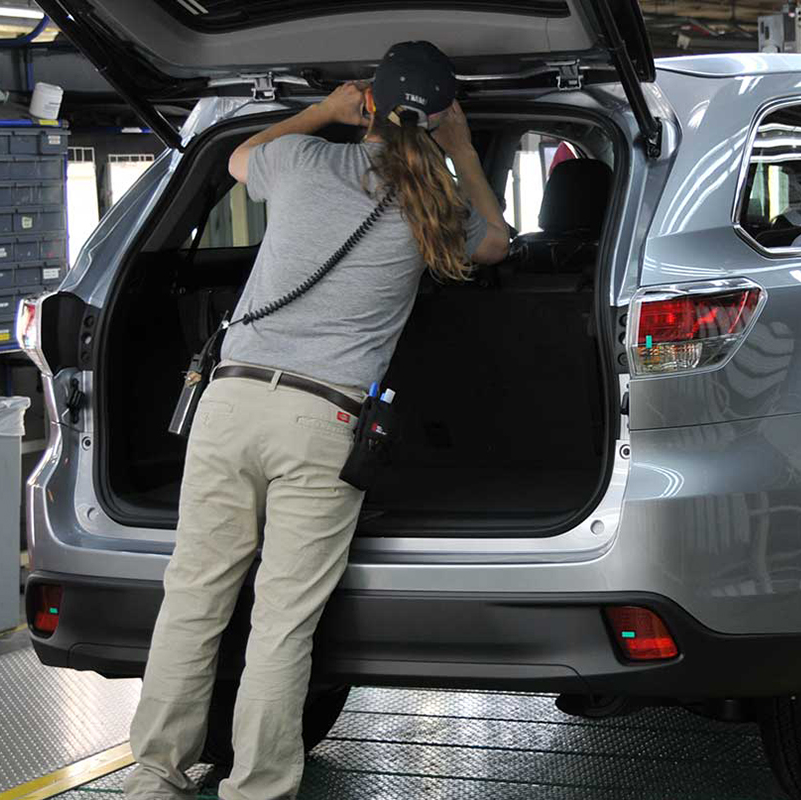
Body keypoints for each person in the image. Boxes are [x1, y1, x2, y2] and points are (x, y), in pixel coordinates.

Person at [124, 41, 511, 799]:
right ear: (439, 119)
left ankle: (151, 776)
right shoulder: (435, 202)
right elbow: (497, 243)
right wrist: (461, 152)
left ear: (367, 103)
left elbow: (238, 160)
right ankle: (256, 788)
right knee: (281, 618)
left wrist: (321, 110)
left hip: (230, 400)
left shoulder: (299, 161)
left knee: (194, 595)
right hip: (321, 419)